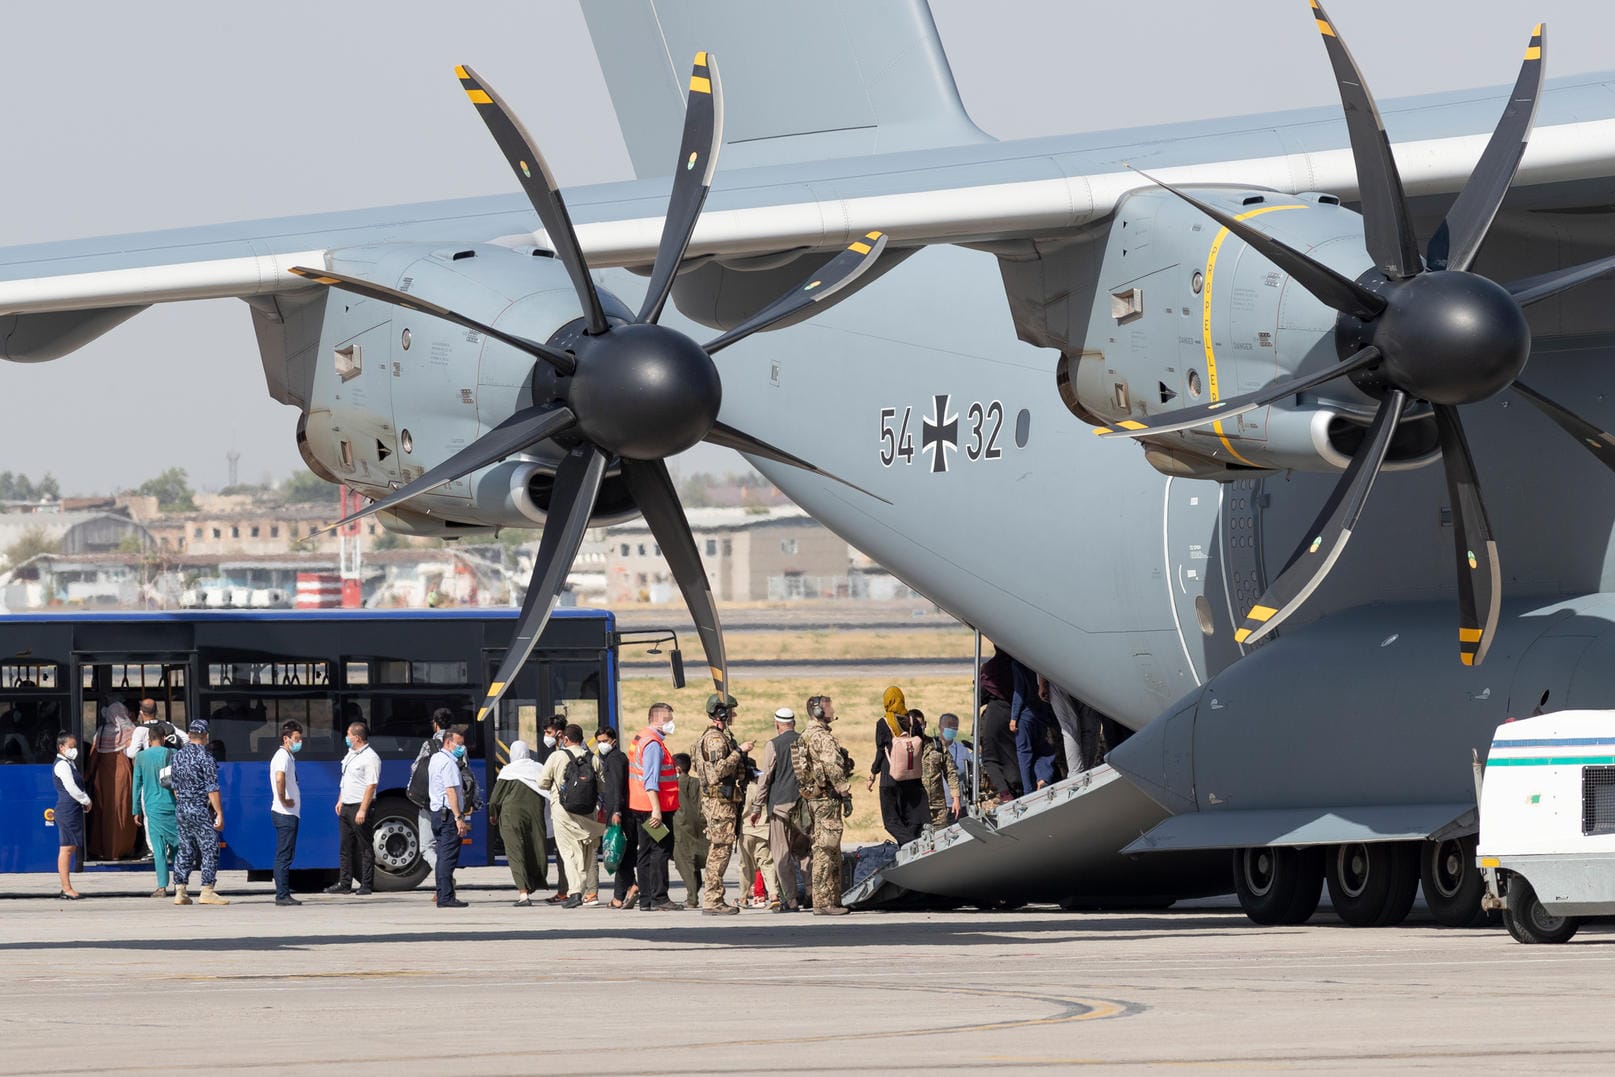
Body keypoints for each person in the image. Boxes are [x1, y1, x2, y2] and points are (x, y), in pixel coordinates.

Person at [694, 692, 753, 916]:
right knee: (720, 850)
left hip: (719, 801)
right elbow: (719, 770)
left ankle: (713, 897)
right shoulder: (715, 739)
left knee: (720, 849)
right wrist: (739, 752)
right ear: (721, 713)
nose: (733, 714)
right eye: (730, 711)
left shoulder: (717, 736)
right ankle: (713, 899)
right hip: (720, 802)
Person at [538, 724, 606, 908]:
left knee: (568, 853)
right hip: (588, 812)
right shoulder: (593, 759)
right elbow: (602, 787)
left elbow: (542, 782)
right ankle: (582, 889)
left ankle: (575, 891)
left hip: (562, 811)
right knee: (585, 853)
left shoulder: (556, 756)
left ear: (565, 739)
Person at [797, 694, 854, 915]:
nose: (832, 711)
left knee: (826, 847)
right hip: (826, 799)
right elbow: (832, 767)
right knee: (826, 849)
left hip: (814, 799)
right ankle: (824, 902)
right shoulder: (822, 737)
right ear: (818, 711)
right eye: (829, 707)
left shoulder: (806, 735)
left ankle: (831, 899)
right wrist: (845, 791)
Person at [752, 706, 809, 912]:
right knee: (804, 852)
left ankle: (791, 900)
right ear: (794, 723)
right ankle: (812, 892)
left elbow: (764, 778)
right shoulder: (804, 741)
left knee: (781, 854)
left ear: (777, 725)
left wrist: (757, 806)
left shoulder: (773, 745)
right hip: (803, 806)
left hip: (780, 807)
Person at [409, 708, 478, 873]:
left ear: (435, 724)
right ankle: (445, 878)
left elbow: (415, 768)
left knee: (426, 846)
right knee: (447, 846)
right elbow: (467, 773)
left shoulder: (428, 745)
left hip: (430, 801)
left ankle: (444, 877)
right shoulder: (460, 746)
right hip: (453, 803)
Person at [626, 702, 679, 912]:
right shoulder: (653, 744)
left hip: (640, 804)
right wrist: (656, 810)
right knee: (660, 850)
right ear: (658, 720)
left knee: (646, 851)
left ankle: (647, 899)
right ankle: (660, 897)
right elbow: (651, 780)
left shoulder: (640, 738)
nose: (671, 724)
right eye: (668, 720)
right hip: (654, 808)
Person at [170, 719, 228, 906]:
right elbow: (212, 788)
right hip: (199, 808)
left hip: (181, 808)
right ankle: (207, 890)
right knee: (210, 847)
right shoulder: (206, 757)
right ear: (206, 736)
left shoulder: (177, 756)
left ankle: (180, 891)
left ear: (189, 735)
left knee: (185, 848)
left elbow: (175, 788)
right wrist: (219, 812)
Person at [489, 740, 548, 906]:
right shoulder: (538, 768)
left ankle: (523, 894)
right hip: (535, 816)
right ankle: (533, 883)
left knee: (516, 852)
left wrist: (493, 815)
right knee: (535, 849)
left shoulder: (508, 771)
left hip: (510, 817)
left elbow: (494, 800)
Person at [867, 686, 927, 845]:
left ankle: (910, 844)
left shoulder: (883, 723)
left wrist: (873, 772)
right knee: (912, 818)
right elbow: (922, 744)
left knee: (892, 820)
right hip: (913, 777)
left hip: (891, 778)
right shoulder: (912, 721)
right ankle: (915, 844)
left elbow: (880, 751)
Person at [328, 720, 379, 896]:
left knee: (364, 846)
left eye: (349, 735)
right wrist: (340, 800)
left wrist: (363, 810)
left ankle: (366, 884)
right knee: (345, 846)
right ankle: (345, 882)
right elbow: (345, 780)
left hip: (360, 806)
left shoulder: (371, 757)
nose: (346, 738)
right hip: (346, 806)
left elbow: (371, 785)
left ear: (357, 737)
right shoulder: (351, 754)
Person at [131, 721, 179, 897]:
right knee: (176, 846)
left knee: (158, 848)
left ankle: (162, 886)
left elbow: (137, 785)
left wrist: (136, 810)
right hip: (172, 805)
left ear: (149, 740)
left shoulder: (141, 758)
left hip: (152, 808)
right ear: (164, 738)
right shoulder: (172, 753)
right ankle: (180, 884)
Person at [86, 701, 138, 860]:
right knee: (122, 811)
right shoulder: (131, 731)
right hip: (123, 774)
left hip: (102, 777)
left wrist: (87, 776)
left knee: (105, 812)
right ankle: (122, 849)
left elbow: (93, 756)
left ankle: (104, 849)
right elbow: (135, 756)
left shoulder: (100, 732)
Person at [595, 725, 639, 909]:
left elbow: (617, 788)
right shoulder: (613, 758)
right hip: (619, 810)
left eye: (604, 741)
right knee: (622, 853)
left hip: (619, 813)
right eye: (598, 742)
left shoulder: (615, 759)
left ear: (613, 740)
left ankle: (630, 888)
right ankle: (620, 895)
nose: (601, 745)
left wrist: (616, 811)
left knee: (618, 853)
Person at [429, 725, 471, 908]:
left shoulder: (435, 758)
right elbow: (451, 791)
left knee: (441, 856)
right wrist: (459, 817)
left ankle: (443, 894)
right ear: (448, 742)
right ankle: (446, 897)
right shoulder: (449, 763)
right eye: (459, 744)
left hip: (437, 813)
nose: (462, 748)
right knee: (447, 857)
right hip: (448, 815)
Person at [977, 647, 1020, 799]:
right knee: (1012, 753)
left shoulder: (992, 668)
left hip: (996, 715)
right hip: (1017, 713)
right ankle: (1016, 785)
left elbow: (980, 696)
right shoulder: (1021, 665)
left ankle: (1004, 792)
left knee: (990, 758)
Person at [1011, 657, 1057, 793]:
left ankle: (1028, 791)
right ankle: (1043, 778)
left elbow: (1019, 692)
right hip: (1042, 712)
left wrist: (1014, 717)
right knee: (1042, 749)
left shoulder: (1018, 663)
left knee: (1024, 753)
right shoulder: (1040, 661)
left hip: (1025, 715)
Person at [270, 720, 304, 907]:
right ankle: (282, 895)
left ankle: (283, 893)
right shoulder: (282, 756)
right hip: (285, 813)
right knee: (284, 855)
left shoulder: (288, 756)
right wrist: (283, 799)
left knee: (285, 854)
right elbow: (279, 778)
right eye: (296, 739)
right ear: (286, 739)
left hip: (289, 812)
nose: (299, 742)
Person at [53, 732, 90, 899]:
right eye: (71, 747)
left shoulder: (70, 763)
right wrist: (86, 800)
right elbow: (71, 787)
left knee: (70, 847)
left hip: (72, 809)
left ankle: (66, 887)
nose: (74, 750)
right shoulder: (62, 765)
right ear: (61, 747)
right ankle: (66, 888)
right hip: (67, 809)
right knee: (67, 848)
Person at [913, 709, 961, 829]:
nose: (919, 728)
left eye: (921, 724)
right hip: (915, 807)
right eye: (915, 725)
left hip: (937, 808)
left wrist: (956, 798)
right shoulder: (906, 748)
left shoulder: (936, 746)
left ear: (925, 724)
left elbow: (950, 772)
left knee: (941, 841)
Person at [671, 753, 707, 909]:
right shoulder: (698, 783)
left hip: (680, 827)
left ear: (677, 768)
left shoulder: (673, 785)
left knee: (684, 862)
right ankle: (694, 892)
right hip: (700, 825)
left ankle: (692, 898)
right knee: (696, 860)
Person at [738, 774, 779, 909]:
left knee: (745, 865)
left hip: (746, 830)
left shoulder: (743, 789)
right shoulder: (766, 789)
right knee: (767, 863)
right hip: (763, 830)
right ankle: (773, 895)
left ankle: (743, 898)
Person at [937, 713, 979, 821]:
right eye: (949, 725)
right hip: (939, 805)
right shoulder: (932, 749)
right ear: (940, 726)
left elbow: (971, 768)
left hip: (960, 804)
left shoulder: (961, 749)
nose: (952, 729)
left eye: (955, 727)